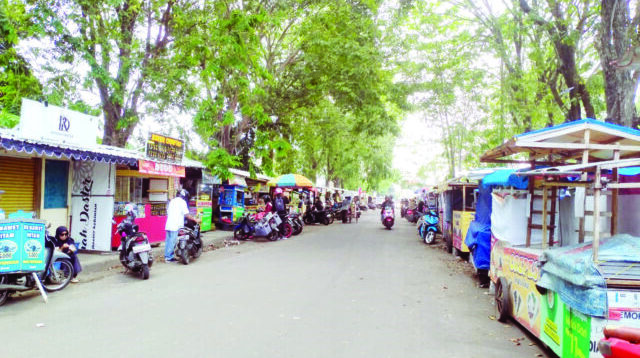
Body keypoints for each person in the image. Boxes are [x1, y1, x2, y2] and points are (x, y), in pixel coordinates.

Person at [165, 189, 200, 263]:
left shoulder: (172, 201)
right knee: (172, 242)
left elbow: (168, 211)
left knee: (168, 241)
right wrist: (195, 219)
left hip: (169, 224)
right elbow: (186, 214)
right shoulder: (182, 202)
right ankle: (169, 258)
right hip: (176, 225)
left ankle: (167, 256)